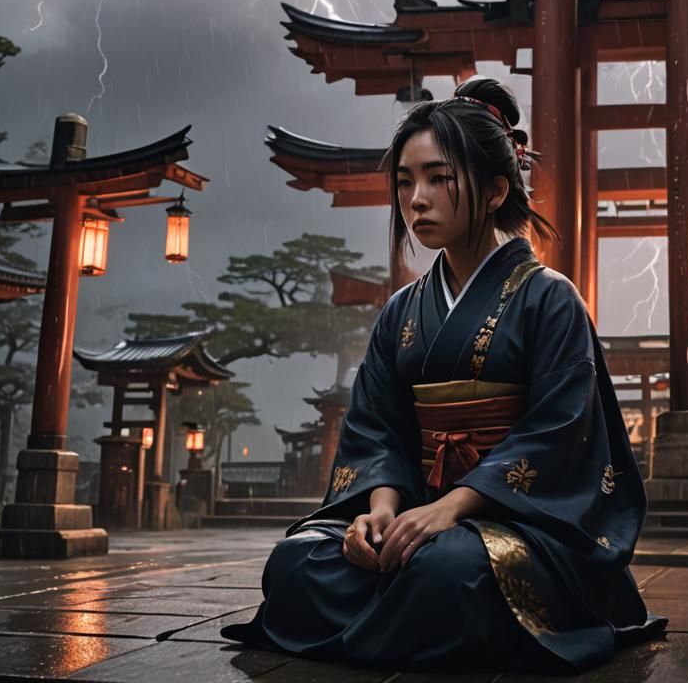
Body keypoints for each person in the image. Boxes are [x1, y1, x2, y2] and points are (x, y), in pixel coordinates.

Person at [221, 77, 665, 672]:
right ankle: (413, 615)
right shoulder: (402, 311)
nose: (416, 199)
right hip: (415, 516)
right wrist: (377, 511)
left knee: (450, 569)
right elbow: (376, 428)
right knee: (297, 562)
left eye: (437, 178)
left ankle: (400, 612)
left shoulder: (550, 300)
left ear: (494, 189)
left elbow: (559, 435)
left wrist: (452, 508)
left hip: (516, 525)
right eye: (405, 182)